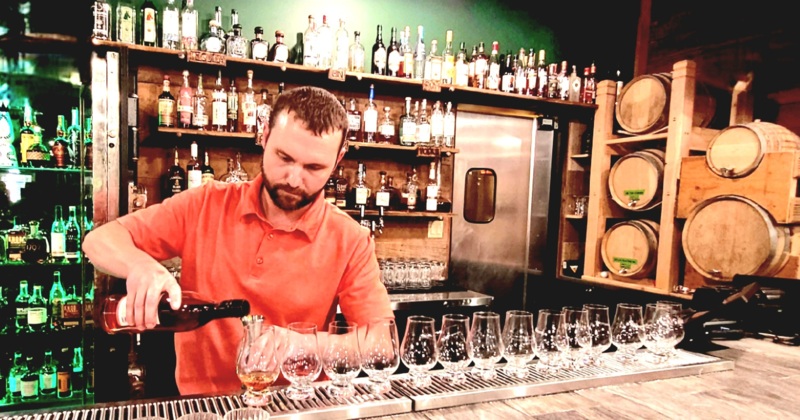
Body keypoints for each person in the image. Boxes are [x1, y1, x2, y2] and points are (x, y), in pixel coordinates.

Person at [82, 86, 394, 395]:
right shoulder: (205, 205)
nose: (294, 179)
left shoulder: (350, 239)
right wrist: (141, 266)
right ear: (265, 136)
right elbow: (98, 241)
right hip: (202, 408)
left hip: (298, 406)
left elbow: (383, 345)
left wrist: (303, 344)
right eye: (284, 158)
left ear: (338, 160)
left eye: (314, 168)